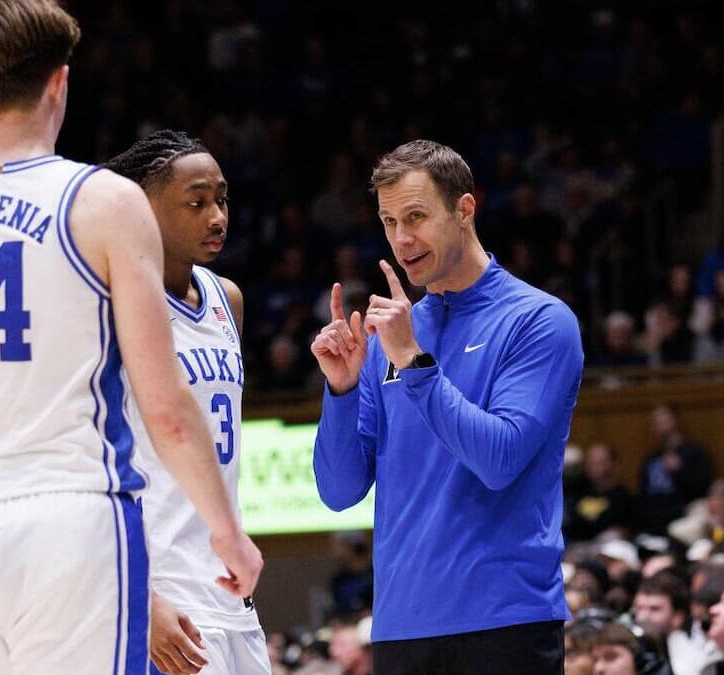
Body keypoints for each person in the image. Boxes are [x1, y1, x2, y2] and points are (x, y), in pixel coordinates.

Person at [0, 2, 262, 674]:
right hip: (71, 521)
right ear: (60, 81)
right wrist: (227, 530)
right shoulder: (104, 202)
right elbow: (165, 407)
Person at [311, 139, 583, 674]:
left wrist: (414, 364)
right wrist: (341, 390)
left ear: (464, 209)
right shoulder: (393, 337)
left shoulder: (539, 321)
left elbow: (499, 459)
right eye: (389, 222)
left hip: (505, 622)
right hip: (401, 628)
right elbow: (338, 492)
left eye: (416, 217)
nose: (402, 239)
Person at [104, 130, 270, 675]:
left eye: (221, 199)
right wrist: (139, 596)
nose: (217, 217)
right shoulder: (111, 307)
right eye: (196, 203)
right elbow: (89, 459)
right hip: (165, 591)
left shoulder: (228, 298)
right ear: (143, 209)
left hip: (231, 591)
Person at [638, 404, 714, 534]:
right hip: (656, 524)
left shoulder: (694, 453)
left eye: (664, 420)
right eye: (656, 422)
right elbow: (644, 497)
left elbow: (705, 489)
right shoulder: (650, 460)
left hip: (686, 520)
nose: (661, 426)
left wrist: (680, 470)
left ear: (675, 421)